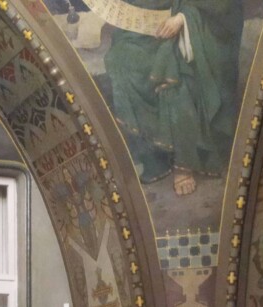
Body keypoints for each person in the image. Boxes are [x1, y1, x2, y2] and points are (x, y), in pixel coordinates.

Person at [103, 0, 244, 195]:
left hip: (196, 27)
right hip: (150, 24)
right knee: (120, 57)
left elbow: (223, 6)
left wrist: (183, 18)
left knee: (171, 65)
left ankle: (184, 162)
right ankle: (154, 155)